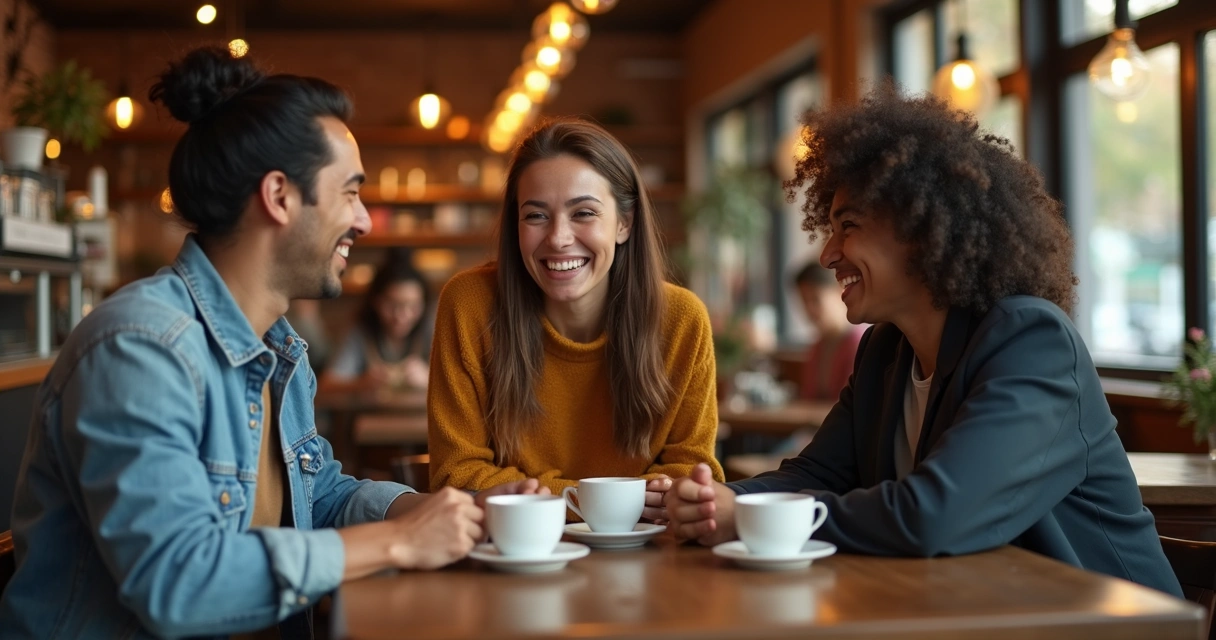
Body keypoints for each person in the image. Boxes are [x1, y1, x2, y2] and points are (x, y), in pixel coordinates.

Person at [0, 46, 543, 639]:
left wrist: (449, 512)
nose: (363, 221)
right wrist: (395, 542)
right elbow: (175, 581)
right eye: (350, 192)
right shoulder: (141, 348)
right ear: (279, 196)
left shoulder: (278, 351)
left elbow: (319, 495)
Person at [666, 86, 1182, 597]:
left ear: (921, 228)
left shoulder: (1032, 341)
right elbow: (819, 473)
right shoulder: (885, 351)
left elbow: (935, 515)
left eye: (848, 226)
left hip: (1110, 626)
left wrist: (753, 520)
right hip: (985, 613)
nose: (828, 254)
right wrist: (716, 501)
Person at [428, 118, 725, 519]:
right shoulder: (469, 304)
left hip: (649, 558)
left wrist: (536, 495)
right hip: (512, 555)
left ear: (624, 222)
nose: (558, 238)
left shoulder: (681, 320)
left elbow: (690, 476)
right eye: (535, 216)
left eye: (583, 213)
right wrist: (618, 501)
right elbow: (455, 475)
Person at [322, 250, 432, 390]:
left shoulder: (433, 329)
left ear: (424, 304)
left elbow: (462, 387)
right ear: (376, 302)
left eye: (412, 306)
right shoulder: (361, 331)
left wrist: (428, 379)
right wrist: (361, 383)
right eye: (392, 305)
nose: (401, 316)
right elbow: (327, 385)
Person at [791, 261, 865, 402]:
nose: (809, 310)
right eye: (804, 302)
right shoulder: (817, 347)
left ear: (840, 292)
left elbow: (849, 404)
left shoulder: (859, 343)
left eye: (815, 300)